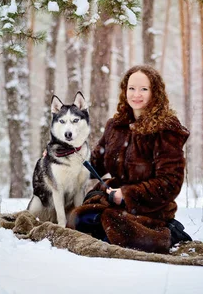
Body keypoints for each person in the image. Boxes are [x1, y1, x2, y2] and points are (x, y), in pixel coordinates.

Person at [67, 65, 191, 254]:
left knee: (114, 230)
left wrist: (127, 194)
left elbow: (170, 183)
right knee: (79, 220)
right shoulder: (115, 126)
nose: (136, 94)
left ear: (155, 92)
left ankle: (169, 233)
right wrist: (63, 155)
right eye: (131, 88)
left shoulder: (166, 130)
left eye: (144, 89)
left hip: (151, 209)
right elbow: (95, 163)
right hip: (111, 202)